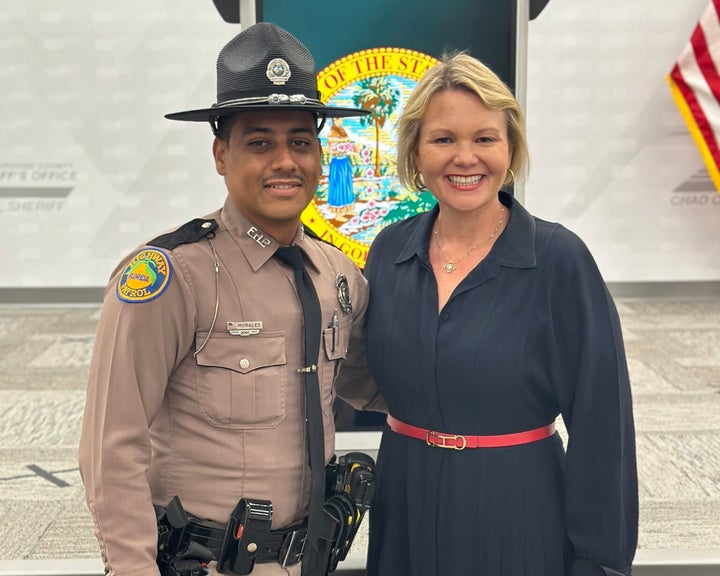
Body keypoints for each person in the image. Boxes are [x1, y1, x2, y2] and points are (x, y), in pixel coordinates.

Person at [79, 22, 383, 576]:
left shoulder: (338, 276)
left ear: (319, 154)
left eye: (300, 142)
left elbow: (378, 385)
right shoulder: (172, 277)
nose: (284, 161)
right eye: (259, 142)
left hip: (308, 561)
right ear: (221, 154)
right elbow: (111, 447)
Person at [362, 52, 638, 576]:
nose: (465, 157)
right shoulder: (388, 252)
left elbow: (605, 428)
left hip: (517, 509)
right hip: (403, 503)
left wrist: (600, 563)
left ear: (510, 150)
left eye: (484, 138)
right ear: (416, 154)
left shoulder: (560, 260)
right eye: (443, 139)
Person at [326, 117, 356, 219]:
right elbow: (332, 148)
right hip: (338, 162)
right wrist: (342, 148)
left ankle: (347, 209)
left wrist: (351, 148)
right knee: (339, 185)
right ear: (335, 120)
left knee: (347, 184)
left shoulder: (342, 130)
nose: (342, 120)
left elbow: (347, 144)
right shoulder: (333, 132)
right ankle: (338, 214)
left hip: (345, 161)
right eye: (340, 119)